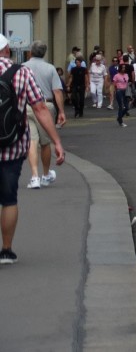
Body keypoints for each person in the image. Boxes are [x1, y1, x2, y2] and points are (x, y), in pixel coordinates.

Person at [0, 33, 66, 265]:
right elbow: (39, 108)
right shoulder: (20, 72)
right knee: (8, 199)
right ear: (7, 49)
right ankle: (6, 251)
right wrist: (56, 141)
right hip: (11, 146)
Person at [22, 41, 66, 188]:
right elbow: (57, 91)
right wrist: (61, 111)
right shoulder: (50, 68)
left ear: (30, 52)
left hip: (27, 106)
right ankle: (45, 175)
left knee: (31, 141)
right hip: (45, 105)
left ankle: (34, 176)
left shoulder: (23, 67)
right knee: (45, 142)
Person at [67, 49, 87, 118]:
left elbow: (86, 77)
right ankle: (76, 109)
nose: (78, 63)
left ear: (81, 63)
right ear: (75, 63)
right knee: (74, 98)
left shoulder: (83, 69)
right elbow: (71, 77)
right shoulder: (73, 69)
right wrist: (69, 85)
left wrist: (87, 85)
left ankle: (81, 111)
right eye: (77, 62)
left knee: (81, 100)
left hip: (82, 85)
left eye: (79, 62)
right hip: (75, 84)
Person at [111, 62, 131, 127]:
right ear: (120, 68)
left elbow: (127, 83)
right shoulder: (116, 76)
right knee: (121, 106)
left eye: (124, 68)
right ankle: (121, 121)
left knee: (127, 107)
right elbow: (114, 84)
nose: (124, 69)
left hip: (126, 91)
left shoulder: (126, 75)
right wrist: (113, 92)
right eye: (122, 68)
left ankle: (119, 117)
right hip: (119, 90)